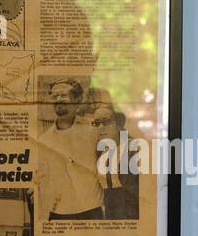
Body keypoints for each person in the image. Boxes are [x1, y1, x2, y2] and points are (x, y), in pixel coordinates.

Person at [36, 79, 104, 220]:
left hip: (91, 210)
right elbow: (42, 180)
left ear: (77, 99)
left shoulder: (93, 130)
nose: (58, 100)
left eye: (63, 95)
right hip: (58, 214)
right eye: (55, 97)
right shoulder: (43, 140)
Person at [92, 104, 139, 220]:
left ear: (119, 124)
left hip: (130, 215)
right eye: (97, 123)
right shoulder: (101, 151)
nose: (100, 128)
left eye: (106, 122)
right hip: (109, 215)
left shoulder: (134, 148)